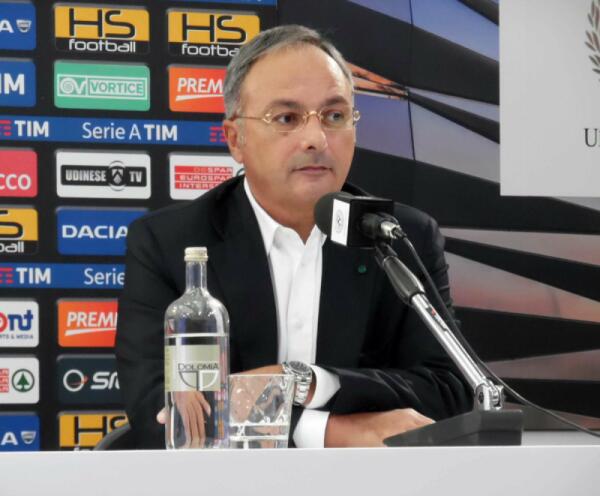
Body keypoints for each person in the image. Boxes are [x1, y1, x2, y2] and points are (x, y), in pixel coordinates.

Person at [116, 24, 472, 449]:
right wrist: (327, 432)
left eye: (334, 116)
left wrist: (307, 382)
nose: (316, 139)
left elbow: (450, 390)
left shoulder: (401, 236)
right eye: (287, 118)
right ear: (235, 139)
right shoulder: (169, 243)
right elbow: (163, 410)